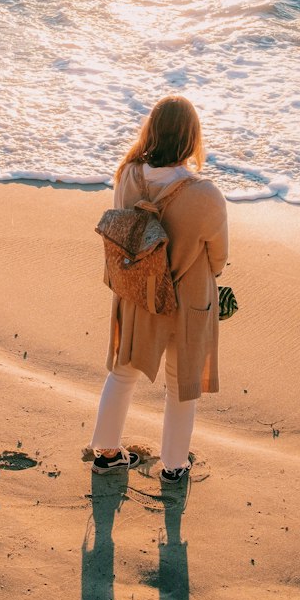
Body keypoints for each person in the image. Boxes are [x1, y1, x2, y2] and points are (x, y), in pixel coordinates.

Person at [90, 96, 228, 484]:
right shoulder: (205, 195)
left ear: (151, 130)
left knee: (124, 371)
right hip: (187, 299)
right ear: (190, 139)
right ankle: (173, 466)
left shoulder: (129, 175)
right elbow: (218, 257)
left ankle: (106, 453)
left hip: (139, 294)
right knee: (180, 385)